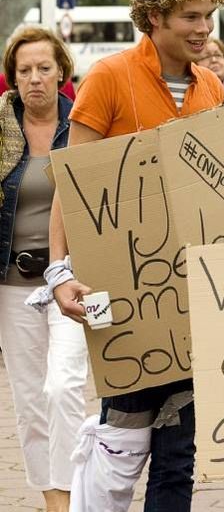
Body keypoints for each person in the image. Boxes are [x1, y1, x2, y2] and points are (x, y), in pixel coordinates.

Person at [48, 0, 224, 511]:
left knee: (179, 458)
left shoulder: (211, 89)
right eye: (190, 16)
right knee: (121, 447)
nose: (203, 28)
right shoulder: (108, 78)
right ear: (156, 17)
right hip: (122, 296)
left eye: (208, 15)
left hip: (189, 301)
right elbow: (71, 189)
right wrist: (59, 272)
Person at [0, 26, 87, 512]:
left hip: (70, 280)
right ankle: (56, 501)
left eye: (44, 68)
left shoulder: (83, 125)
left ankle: (75, 494)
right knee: (31, 401)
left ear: (62, 72)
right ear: (13, 78)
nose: (35, 79)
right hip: (11, 281)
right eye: (25, 70)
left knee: (64, 386)